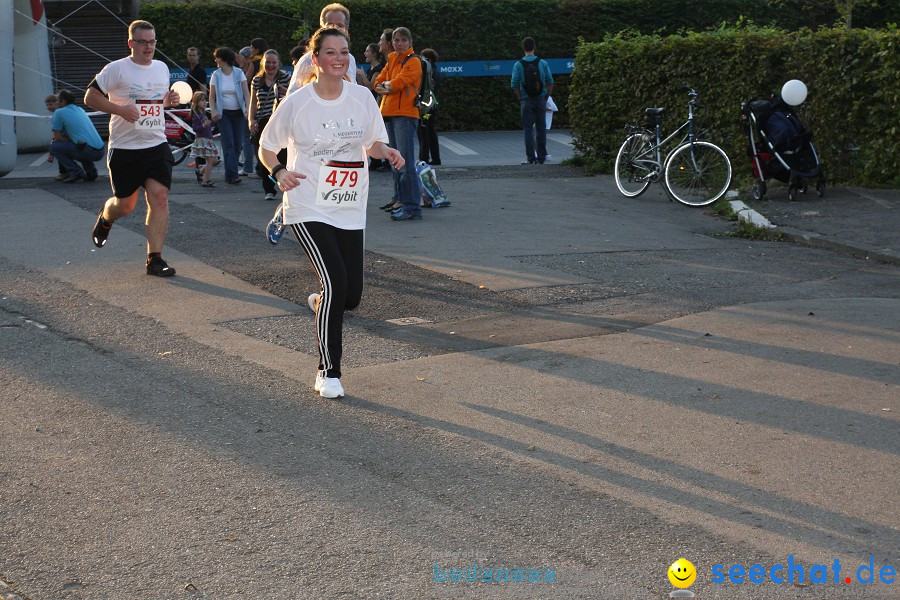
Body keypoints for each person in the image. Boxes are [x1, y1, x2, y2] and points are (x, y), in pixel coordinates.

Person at [259, 25, 403, 398]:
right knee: (336, 282)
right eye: (330, 53)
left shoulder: (362, 97)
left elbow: (372, 142)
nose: (338, 59)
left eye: (344, 52)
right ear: (316, 59)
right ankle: (328, 371)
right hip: (307, 204)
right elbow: (267, 147)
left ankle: (323, 302)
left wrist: (385, 152)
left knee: (349, 297)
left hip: (349, 206)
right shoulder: (298, 103)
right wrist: (279, 172)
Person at [84, 19, 180, 277]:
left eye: (152, 42)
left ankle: (154, 259)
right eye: (142, 42)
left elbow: (155, 103)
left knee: (159, 197)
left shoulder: (161, 68)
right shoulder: (116, 69)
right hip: (125, 147)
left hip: (156, 144)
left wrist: (167, 101)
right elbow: (90, 97)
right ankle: (106, 219)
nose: (148, 47)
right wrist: (120, 110)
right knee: (125, 204)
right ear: (131, 43)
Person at [374, 26, 423, 221]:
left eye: (403, 40)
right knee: (396, 162)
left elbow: (397, 83)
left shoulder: (414, 61)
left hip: (406, 114)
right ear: (392, 42)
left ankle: (412, 207)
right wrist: (387, 86)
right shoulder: (393, 58)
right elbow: (378, 82)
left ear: (410, 42)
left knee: (406, 163)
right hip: (391, 114)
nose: (399, 43)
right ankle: (402, 202)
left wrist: (387, 86)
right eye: (396, 40)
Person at [286, 3, 357, 95]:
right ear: (321, 27)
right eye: (329, 25)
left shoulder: (350, 60)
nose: (334, 29)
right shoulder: (307, 60)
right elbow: (292, 95)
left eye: (339, 26)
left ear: (346, 28)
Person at [247, 49, 290, 200]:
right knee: (263, 156)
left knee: (283, 156)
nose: (271, 65)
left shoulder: (285, 78)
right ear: (263, 63)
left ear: (278, 63)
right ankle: (268, 189)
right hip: (262, 122)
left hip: (280, 122)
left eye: (274, 62)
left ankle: (284, 184)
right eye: (268, 62)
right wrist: (251, 120)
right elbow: (253, 103)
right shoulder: (256, 80)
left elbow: (291, 99)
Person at [209, 46, 251, 185]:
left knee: (238, 144)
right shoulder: (216, 75)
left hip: (238, 112)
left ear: (224, 59)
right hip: (224, 114)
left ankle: (229, 173)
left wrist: (248, 110)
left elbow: (246, 93)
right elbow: (212, 96)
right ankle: (232, 175)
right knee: (229, 144)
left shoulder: (239, 73)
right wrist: (214, 111)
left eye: (218, 58)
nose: (216, 60)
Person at [510, 36, 553, 164]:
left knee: (528, 129)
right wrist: (546, 97)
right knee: (541, 128)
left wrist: (520, 98)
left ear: (523, 48)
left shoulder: (518, 65)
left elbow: (514, 84)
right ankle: (542, 157)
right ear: (534, 47)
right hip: (540, 99)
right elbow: (550, 82)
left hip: (526, 100)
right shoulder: (542, 63)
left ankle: (530, 158)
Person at [49, 89, 104, 183]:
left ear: (63, 101)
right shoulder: (80, 109)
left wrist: (67, 139)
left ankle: (75, 172)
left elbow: (57, 137)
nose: (56, 103)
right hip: (101, 151)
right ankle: (90, 171)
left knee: (54, 146)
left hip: (88, 151)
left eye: (57, 100)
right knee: (79, 144)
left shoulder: (59, 112)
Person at [236, 46, 259, 176]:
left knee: (246, 137)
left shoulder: (249, 69)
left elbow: (243, 84)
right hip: (251, 102)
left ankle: (248, 167)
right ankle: (251, 167)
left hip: (248, 103)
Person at [189, 91, 219, 187]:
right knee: (210, 160)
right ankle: (206, 180)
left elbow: (209, 126)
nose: (205, 102)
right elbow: (195, 128)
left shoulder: (204, 114)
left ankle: (200, 172)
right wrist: (203, 125)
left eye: (205, 100)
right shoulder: (196, 116)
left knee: (214, 160)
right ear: (196, 103)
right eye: (202, 100)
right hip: (202, 140)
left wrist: (214, 121)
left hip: (208, 140)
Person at [417, 48, 441, 165]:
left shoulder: (428, 72)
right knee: (430, 130)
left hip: (427, 107)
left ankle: (424, 158)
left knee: (423, 129)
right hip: (432, 105)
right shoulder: (435, 71)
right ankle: (435, 158)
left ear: (428, 59)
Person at [44, 93, 69, 181]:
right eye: (47, 105)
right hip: (67, 137)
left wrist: (56, 139)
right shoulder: (62, 111)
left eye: (51, 104)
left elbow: (57, 129)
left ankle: (64, 172)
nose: (49, 107)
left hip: (65, 138)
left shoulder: (58, 113)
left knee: (57, 150)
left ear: (57, 103)